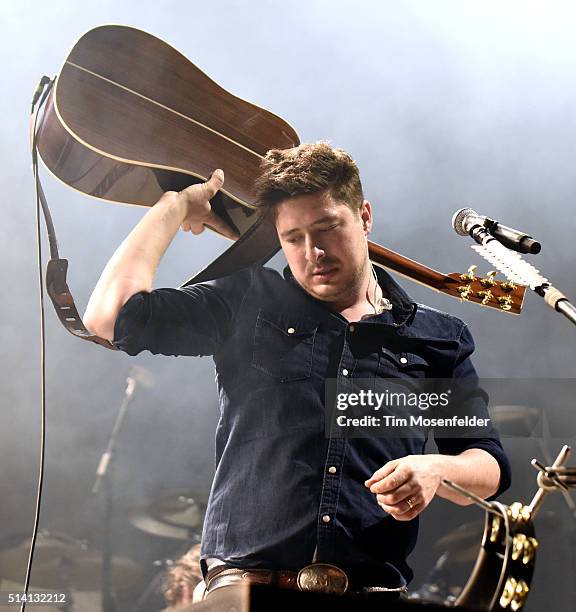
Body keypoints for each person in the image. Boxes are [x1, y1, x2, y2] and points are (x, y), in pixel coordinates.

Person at [83, 142, 510, 598]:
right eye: (293, 238)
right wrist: (175, 206)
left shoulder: (437, 335)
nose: (313, 252)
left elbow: (487, 466)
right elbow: (108, 317)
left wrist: (435, 469)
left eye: (327, 228)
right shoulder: (248, 300)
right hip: (245, 591)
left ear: (364, 216)